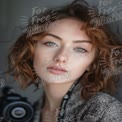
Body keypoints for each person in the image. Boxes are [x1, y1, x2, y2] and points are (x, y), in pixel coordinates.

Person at [6, 0, 122, 121]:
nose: (61, 57)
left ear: (92, 64)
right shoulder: (30, 111)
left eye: (80, 49)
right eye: (50, 43)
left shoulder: (103, 110)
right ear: (32, 50)